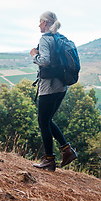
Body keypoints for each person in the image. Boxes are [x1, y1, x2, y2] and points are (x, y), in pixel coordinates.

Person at [30, 11, 77, 171]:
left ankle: (49, 159)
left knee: (43, 121)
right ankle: (67, 150)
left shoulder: (45, 39)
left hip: (49, 86)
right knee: (48, 120)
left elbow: (45, 61)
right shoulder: (60, 38)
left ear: (45, 22)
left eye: (40, 21)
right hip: (62, 86)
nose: (38, 25)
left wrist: (34, 56)